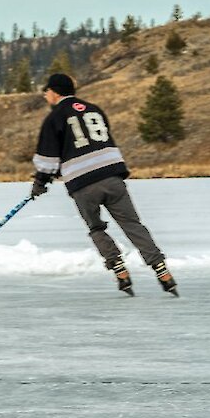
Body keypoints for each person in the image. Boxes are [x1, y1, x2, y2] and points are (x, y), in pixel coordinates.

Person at [30, 72, 175, 296]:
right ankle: (162, 272)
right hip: (112, 176)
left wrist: (40, 182)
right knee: (133, 225)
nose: (45, 95)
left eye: (47, 91)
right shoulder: (94, 109)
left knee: (96, 227)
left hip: (83, 184)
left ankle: (120, 273)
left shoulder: (54, 118)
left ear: (55, 92)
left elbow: (48, 159)